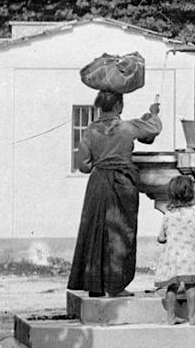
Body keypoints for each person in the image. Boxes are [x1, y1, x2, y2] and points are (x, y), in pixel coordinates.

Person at [68, 90, 162, 298]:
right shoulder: (126, 127)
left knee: (95, 231)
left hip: (98, 183)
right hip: (122, 183)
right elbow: (152, 130)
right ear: (119, 106)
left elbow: (84, 166)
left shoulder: (90, 131)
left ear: (100, 107)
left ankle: (95, 285)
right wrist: (153, 113)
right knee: (122, 233)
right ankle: (116, 286)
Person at [153, 174, 195, 325]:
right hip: (192, 256)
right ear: (191, 192)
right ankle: (192, 317)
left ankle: (171, 317)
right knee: (191, 286)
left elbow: (161, 238)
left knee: (172, 287)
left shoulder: (169, 215)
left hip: (173, 257)